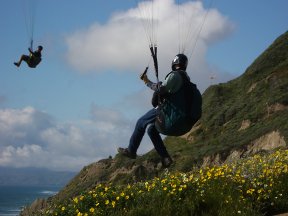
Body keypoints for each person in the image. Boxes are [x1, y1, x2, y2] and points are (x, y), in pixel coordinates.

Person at [118, 53, 198, 168]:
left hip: (171, 115)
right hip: (184, 124)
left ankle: (131, 150)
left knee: (141, 122)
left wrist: (147, 82)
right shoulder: (187, 80)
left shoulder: (175, 76)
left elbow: (160, 89)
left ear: (174, 63)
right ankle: (165, 158)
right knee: (152, 130)